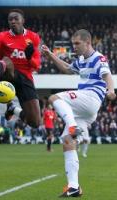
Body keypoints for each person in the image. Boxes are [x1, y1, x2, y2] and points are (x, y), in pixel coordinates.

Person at [41, 29, 116, 197]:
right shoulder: (81, 60)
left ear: (88, 43)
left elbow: (108, 76)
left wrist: (111, 90)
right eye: (73, 43)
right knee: (68, 141)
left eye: (77, 44)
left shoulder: (98, 58)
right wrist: (50, 55)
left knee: (54, 98)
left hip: (90, 98)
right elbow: (67, 69)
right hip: (86, 111)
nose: (74, 47)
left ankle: (73, 125)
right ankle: (74, 187)